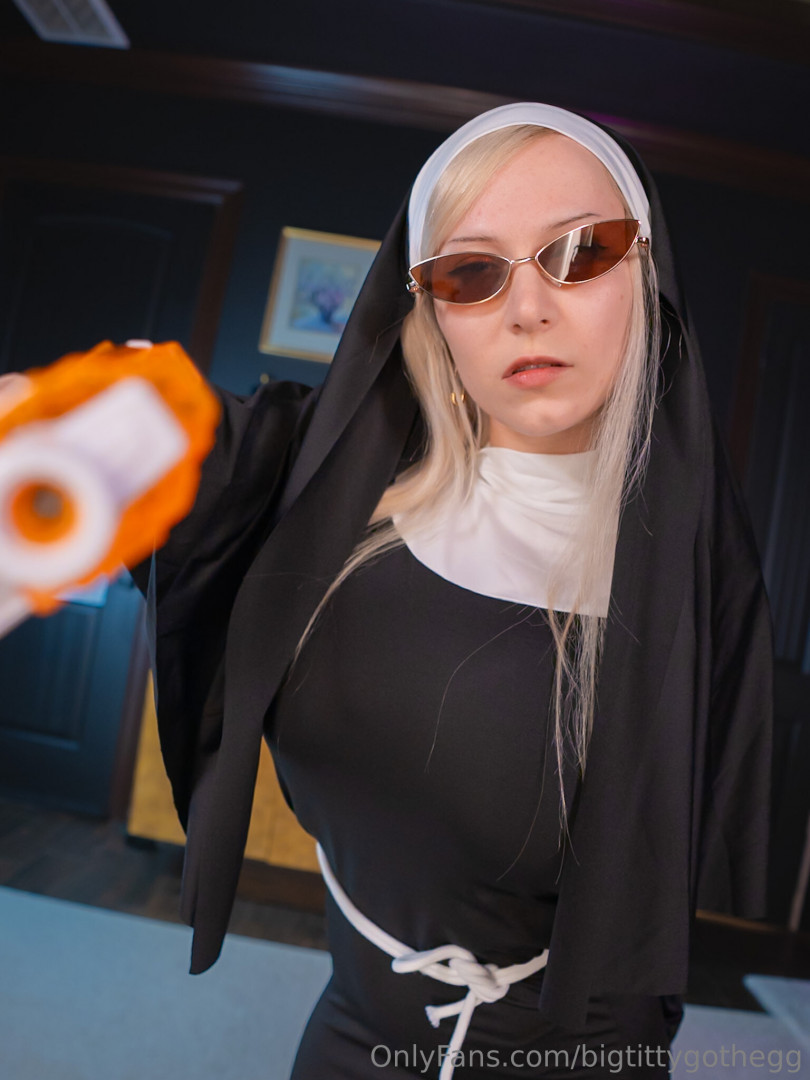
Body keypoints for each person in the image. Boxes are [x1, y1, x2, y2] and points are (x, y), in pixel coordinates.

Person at [132, 103, 772, 1078]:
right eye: (471, 272)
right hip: (350, 1035)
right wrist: (102, 413)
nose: (528, 308)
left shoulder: (690, 590)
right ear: (430, 314)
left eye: (582, 251)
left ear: (645, 276)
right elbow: (180, 450)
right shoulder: (329, 508)